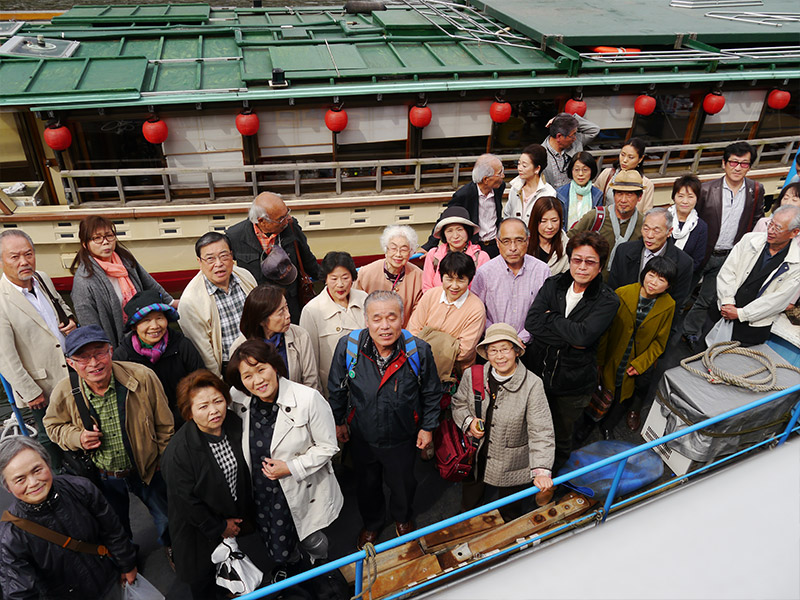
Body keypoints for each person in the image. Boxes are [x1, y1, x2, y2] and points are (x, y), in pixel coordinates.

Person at [327, 291, 441, 549]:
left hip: (402, 434)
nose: (385, 326)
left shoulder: (418, 351)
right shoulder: (349, 347)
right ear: (366, 320)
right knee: (366, 485)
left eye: (392, 317)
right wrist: (339, 421)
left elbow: (432, 392)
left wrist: (427, 427)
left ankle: (402, 517)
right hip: (362, 434)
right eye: (377, 318)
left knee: (403, 482)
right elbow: (336, 388)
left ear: (403, 318)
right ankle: (373, 524)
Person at [43, 325, 174, 545]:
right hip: (105, 475)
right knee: (115, 524)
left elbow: (165, 424)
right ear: (70, 363)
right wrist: (77, 438)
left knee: (165, 516)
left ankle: (171, 548)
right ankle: (128, 559)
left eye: (99, 353)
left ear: (110, 351)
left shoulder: (143, 377)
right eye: (83, 358)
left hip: (148, 468)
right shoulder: (65, 391)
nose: (94, 363)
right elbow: (53, 427)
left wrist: (161, 458)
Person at [228, 341, 343, 578]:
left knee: (310, 537)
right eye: (247, 376)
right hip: (262, 490)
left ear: (275, 366)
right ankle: (291, 563)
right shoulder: (241, 401)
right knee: (274, 536)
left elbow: (328, 446)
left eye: (261, 369)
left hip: (300, 485)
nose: (257, 380)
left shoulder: (308, 399)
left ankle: (319, 564)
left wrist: (291, 467)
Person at [524, 232, 619, 472]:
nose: (582, 267)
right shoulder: (553, 284)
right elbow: (532, 323)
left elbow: (584, 337)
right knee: (532, 428)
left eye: (590, 262)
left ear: (600, 266)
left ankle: (551, 478)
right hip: (538, 374)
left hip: (572, 384)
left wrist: (552, 319)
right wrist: (571, 336)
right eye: (577, 260)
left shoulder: (607, 300)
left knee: (561, 435)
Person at [0, 437, 137, 600]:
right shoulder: (10, 537)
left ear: (48, 464)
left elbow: (112, 530)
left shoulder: (80, 488)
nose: (33, 483)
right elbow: (19, 592)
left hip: (110, 583)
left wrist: (127, 565)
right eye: (20, 479)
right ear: (8, 486)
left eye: (37, 470)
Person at [162, 370, 254, 600]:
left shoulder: (233, 423)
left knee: (233, 577)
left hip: (230, 519)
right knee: (206, 586)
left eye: (218, 401)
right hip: (198, 532)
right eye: (203, 406)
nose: (214, 411)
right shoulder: (178, 453)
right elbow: (186, 503)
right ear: (189, 412)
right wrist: (220, 526)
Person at [451, 324, 555, 518]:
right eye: (493, 350)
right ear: (486, 354)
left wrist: (541, 471)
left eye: (505, 349)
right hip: (477, 454)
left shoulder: (533, 385)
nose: (500, 356)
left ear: (516, 351)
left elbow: (541, 431)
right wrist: (468, 422)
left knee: (510, 510)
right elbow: (458, 404)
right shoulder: (472, 375)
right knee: (470, 503)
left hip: (513, 463)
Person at [0, 230, 76, 469]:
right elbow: (5, 356)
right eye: (14, 257)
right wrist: (29, 391)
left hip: (69, 370)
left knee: (77, 426)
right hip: (40, 385)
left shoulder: (42, 278)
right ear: (2, 261)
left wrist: (70, 319)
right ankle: (56, 480)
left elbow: (59, 304)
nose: (24, 261)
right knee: (49, 436)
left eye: (28, 254)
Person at [683, 141, 765, 349]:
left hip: (729, 256)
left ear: (750, 166)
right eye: (734, 162)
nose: (738, 168)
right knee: (681, 292)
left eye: (744, 164)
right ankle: (667, 330)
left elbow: (757, 221)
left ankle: (690, 332)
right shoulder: (706, 189)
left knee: (707, 298)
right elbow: (694, 219)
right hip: (700, 253)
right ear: (724, 163)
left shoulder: (756, 190)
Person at [595, 257, 677, 437]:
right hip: (614, 353)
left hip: (636, 359)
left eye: (661, 280)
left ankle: (608, 425)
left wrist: (641, 364)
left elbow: (659, 343)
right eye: (651, 275)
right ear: (644, 273)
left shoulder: (668, 304)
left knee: (623, 395)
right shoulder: (622, 293)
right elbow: (605, 330)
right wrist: (599, 359)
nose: (654, 282)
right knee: (604, 387)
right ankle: (592, 422)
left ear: (668, 286)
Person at [70, 216, 175, 348]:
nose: (105, 242)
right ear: (85, 244)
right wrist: (103, 347)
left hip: (143, 331)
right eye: (97, 238)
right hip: (118, 341)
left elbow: (150, 284)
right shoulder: (84, 280)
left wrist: (172, 302)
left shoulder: (125, 259)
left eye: (109, 235)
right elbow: (88, 321)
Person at [706, 205, 800, 347]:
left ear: (794, 233)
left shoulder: (796, 262)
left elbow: (778, 300)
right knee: (701, 354)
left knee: (732, 364)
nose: (770, 230)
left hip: (753, 327)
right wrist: (727, 301)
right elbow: (728, 271)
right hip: (723, 311)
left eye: (778, 228)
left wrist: (741, 314)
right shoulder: (749, 240)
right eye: (771, 224)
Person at [113, 290, 205, 427]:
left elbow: (201, 382)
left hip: (186, 418)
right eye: (146, 320)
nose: (155, 326)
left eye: (159, 318)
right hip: (146, 425)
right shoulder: (123, 357)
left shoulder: (182, 345)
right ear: (134, 326)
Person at [226, 192, 321, 323]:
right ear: (262, 221)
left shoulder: (291, 227)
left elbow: (308, 262)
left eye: (287, 212)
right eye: (281, 218)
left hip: (290, 306)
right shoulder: (235, 236)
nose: (287, 219)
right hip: (259, 309)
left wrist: (331, 278)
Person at [179, 232, 257, 376]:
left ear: (232, 256)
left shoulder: (245, 276)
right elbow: (204, 352)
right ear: (200, 262)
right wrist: (217, 381)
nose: (219, 264)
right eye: (210, 259)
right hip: (229, 367)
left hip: (259, 357)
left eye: (224, 256)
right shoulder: (190, 301)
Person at [472, 218, 551, 346]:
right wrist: (498, 336)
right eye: (506, 241)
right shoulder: (484, 273)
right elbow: (477, 312)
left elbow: (546, 311)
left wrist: (523, 337)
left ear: (528, 241)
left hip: (533, 344)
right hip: (494, 345)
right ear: (497, 243)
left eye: (519, 241)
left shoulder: (542, 270)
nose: (513, 248)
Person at [299, 251, 367, 397]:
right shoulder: (312, 310)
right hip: (333, 389)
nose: (340, 284)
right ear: (325, 279)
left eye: (345, 277)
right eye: (334, 278)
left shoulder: (364, 299)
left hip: (366, 384)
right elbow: (310, 362)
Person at [408, 252, 487, 378]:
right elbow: (413, 330)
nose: (454, 286)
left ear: (469, 280)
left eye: (461, 279)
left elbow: (464, 351)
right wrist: (448, 343)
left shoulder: (476, 308)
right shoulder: (430, 295)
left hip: (456, 373)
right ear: (441, 277)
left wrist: (428, 339)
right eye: (449, 279)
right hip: (420, 365)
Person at [233, 283, 322, 393]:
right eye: (281, 312)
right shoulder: (239, 347)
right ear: (262, 320)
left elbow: (311, 381)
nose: (288, 315)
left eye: (286, 307)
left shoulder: (300, 335)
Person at [607, 207, 694, 312]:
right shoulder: (623, 251)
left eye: (656, 231)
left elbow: (676, 304)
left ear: (669, 232)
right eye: (646, 229)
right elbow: (612, 289)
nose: (649, 235)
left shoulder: (683, 263)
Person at [422, 154, 506, 257]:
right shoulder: (464, 194)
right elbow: (446, 217)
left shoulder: (499, 187)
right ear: (485, 179)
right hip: (475, 247)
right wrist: (429, 246)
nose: (503, 176)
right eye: (500, 173)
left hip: (495, 245)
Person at [568, 169, 644, 273]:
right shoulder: (596, 217)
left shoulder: (643, 224)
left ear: (639, 197)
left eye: (629, 195)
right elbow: (568, 240)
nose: (623, 200)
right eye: (619, 194)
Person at [355, 225, 423, 328]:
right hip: (371, 331)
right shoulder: (365, 273)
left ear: (411, 252)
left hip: (404, 334)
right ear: (386, 250)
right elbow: (356, 307)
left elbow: (418, 314)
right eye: (393, 248)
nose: (398, 254)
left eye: (404, 250)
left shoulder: (418, 276)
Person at [422, 206, 490, 291]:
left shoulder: (480, 257)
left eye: (460, 230)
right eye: (449, 231)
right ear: (444, 234)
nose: (455, 236)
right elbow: (427, 288)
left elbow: (483, 290)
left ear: (467, 231)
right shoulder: (433, 255)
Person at [594, 138, 655, 214]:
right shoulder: (607, 174)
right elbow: (595, 199)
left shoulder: (646, 184)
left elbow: (647, 213)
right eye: (622, 155)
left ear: (640, 159)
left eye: (631, 157)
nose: (625, 160)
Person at [542, 112, 601, 189]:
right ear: (559, 136)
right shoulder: (541, 154)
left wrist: (569, 119)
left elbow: (594, 130)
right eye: (572, 135)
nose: (575, 138)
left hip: (576, 194)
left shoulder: (576, 142)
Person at [503, 144, 557, 224]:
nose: (519, 168)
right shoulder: (515, 188)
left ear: (537, 169)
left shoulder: (548, 193)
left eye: (524, 166)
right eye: (518, 164)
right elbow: (507, 215)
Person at [667, 174, 709, 273]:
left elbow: (697, 260)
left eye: (690, 197)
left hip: (683, 277)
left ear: (697, 199)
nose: (685, 201)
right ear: (674, 197)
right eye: (680, 196)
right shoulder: (663, 218)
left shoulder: (700, 227)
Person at [556, 151, 604, 230]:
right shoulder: (560, 194)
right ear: (571, 171)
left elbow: (598, 223)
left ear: (591, 171)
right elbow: (560, 222)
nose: (580, 174)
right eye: (577, 170)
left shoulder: (597, 195)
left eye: (585, 170)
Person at [526, 196, 571, 275]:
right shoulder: (524, 244)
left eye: (554, 220)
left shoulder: (567, 246)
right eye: (544, 221)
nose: (550, 226)